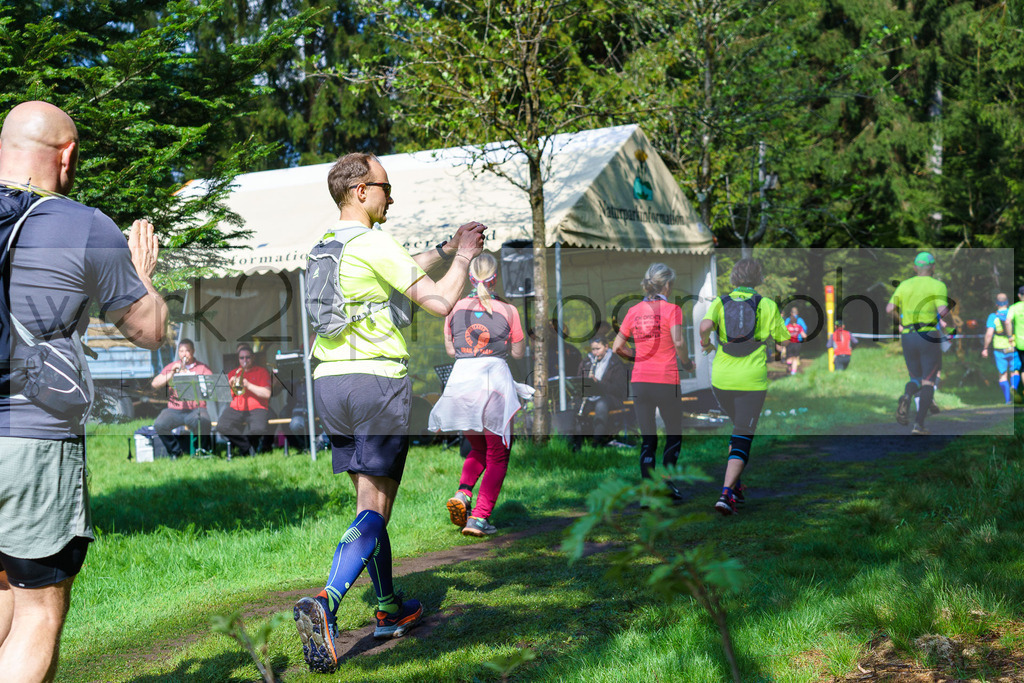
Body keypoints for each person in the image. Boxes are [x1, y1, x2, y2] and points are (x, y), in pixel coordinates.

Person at [292, 152, 485, 674]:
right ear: (360, 190)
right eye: (384, 186)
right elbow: (442, 301)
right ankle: (326, 602)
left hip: (331, 382)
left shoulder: (325, 246)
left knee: (368, 503)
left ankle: (387, 607)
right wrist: (464, 258)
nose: (390, 196)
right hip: (376, 381)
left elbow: (395, 269)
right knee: (374, 511)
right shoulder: (373, 242)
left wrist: (443, 248)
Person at [0, 101, 167, 683]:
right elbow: (149, 331)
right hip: (32, 440)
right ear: (65, 155)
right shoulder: (83, 224)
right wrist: (144, 273)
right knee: (40, 604)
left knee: (2, 590)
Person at [429, 253, 529, 537]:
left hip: (462, 382)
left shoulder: (453, 308)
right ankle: (479, 518)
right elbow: (519, 352)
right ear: (495, 277)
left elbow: (451, 350)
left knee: (478, 448)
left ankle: (462, 494)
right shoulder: (509, 310)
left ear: (469, 277)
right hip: (493, 383)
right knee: (498, 454)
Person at [699, 258, 789, 515]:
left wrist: (706, 342)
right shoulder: (767, 304)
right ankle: (726, 494)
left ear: (735, 278)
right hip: (751, 379)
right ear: (758, 278)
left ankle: (735, 486)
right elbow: (783, 339)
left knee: (738, 430)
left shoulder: (720, 302)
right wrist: (780, 348)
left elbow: (705, 326)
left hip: (721, 379)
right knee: (743, 433)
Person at [612, 263, 695, 499]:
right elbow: (678, 343)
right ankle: (667, 485)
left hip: (640, 380)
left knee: (648, 438)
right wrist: (688, 364)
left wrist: (637, 356)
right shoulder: (672, 309)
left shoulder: (634, 310)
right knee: (673, 434)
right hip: (666, 379)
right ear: (667, 285)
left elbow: (617, 347)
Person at [886, 252, 951, 435]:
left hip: (908, 335)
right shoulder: (937, 285)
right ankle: (919, 425)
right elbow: (943, 311)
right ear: (933, 267)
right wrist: (950, 323)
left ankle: (907, 396)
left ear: (915, 268)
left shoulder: (904, 285)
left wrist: (900, 322)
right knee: (928, 381)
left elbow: (889, 308)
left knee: (915, 378)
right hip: (928, 334)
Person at [151, 338, 213, 456]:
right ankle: (175, 452)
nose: (184, 354)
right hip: (175, 410)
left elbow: (211, 388)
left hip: (196, 409)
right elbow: (155, 384)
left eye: (187, 351)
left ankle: (202, 452)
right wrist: (171, 374)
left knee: (204, 422)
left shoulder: (203, 368)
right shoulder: (172, 366)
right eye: (181, 351)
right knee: (159, 424)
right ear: (178, 352)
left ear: (193, 351)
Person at [216, 343, 272, 456]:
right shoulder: (233, 373)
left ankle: (246, 449)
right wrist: (229, 385)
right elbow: (223, 396)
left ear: (253, 358)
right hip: (237, 407)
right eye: (241, 358)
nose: (244, 360)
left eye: (248, 357)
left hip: (257, 407)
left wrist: (249, 385)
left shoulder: (262, 372)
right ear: (238, 359)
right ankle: (247, 447)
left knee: (258, 430)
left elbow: (267, 394)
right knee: (221, 426)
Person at [578, 335, 629, 446]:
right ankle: (578, 441)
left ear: (606, 347)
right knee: (574, 406)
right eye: (593, 349)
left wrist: (599, 383)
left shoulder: (615, 363)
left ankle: (597, 441)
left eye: (598, 349)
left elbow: (619, 388)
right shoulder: (586, 362)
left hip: (611, 397)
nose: (595, 353)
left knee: (601, 405)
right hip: (590, 397)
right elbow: (578, 381)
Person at [981, 293, 1020, 404]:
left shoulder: (993, 317)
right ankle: (1014, 387)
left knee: (1003, 375)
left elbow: (989, 334)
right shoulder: (1013, 313)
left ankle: (1008, 400)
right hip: (1013, 346)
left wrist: (985, 348)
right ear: (1007, 302)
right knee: (1015, 371)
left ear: (996, 304)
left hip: (999, 349)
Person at [1007, 286, 1024, 400]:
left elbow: (1008, 321)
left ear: (1019, 295)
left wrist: (1009, 336)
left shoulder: (1014, 307)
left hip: (1021, 343)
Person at [783, 306, 807, 375]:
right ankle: (793, 372)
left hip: (789, 342)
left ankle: (789, 366)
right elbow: (804, 330)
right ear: (797, 312)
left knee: (789, 357)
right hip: (797, 342)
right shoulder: (800, 321)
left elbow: (784, 331)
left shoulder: (788, 321)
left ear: (791, 313)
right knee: (795, 358)